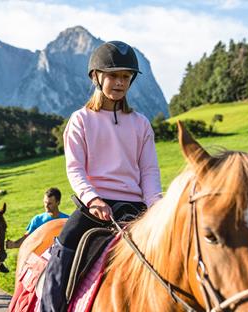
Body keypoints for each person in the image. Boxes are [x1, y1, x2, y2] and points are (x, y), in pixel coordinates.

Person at [40, 41, 162, 311]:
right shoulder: (80, 120)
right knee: (63, 251)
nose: (120, 83)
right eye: (113, 76)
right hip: (93, 208)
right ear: (96, 76)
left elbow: (149, 171)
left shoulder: (141, 123)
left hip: (135, 208)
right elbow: (75, 169)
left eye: (126, 77)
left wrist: (156, 206)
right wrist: (93, 199)